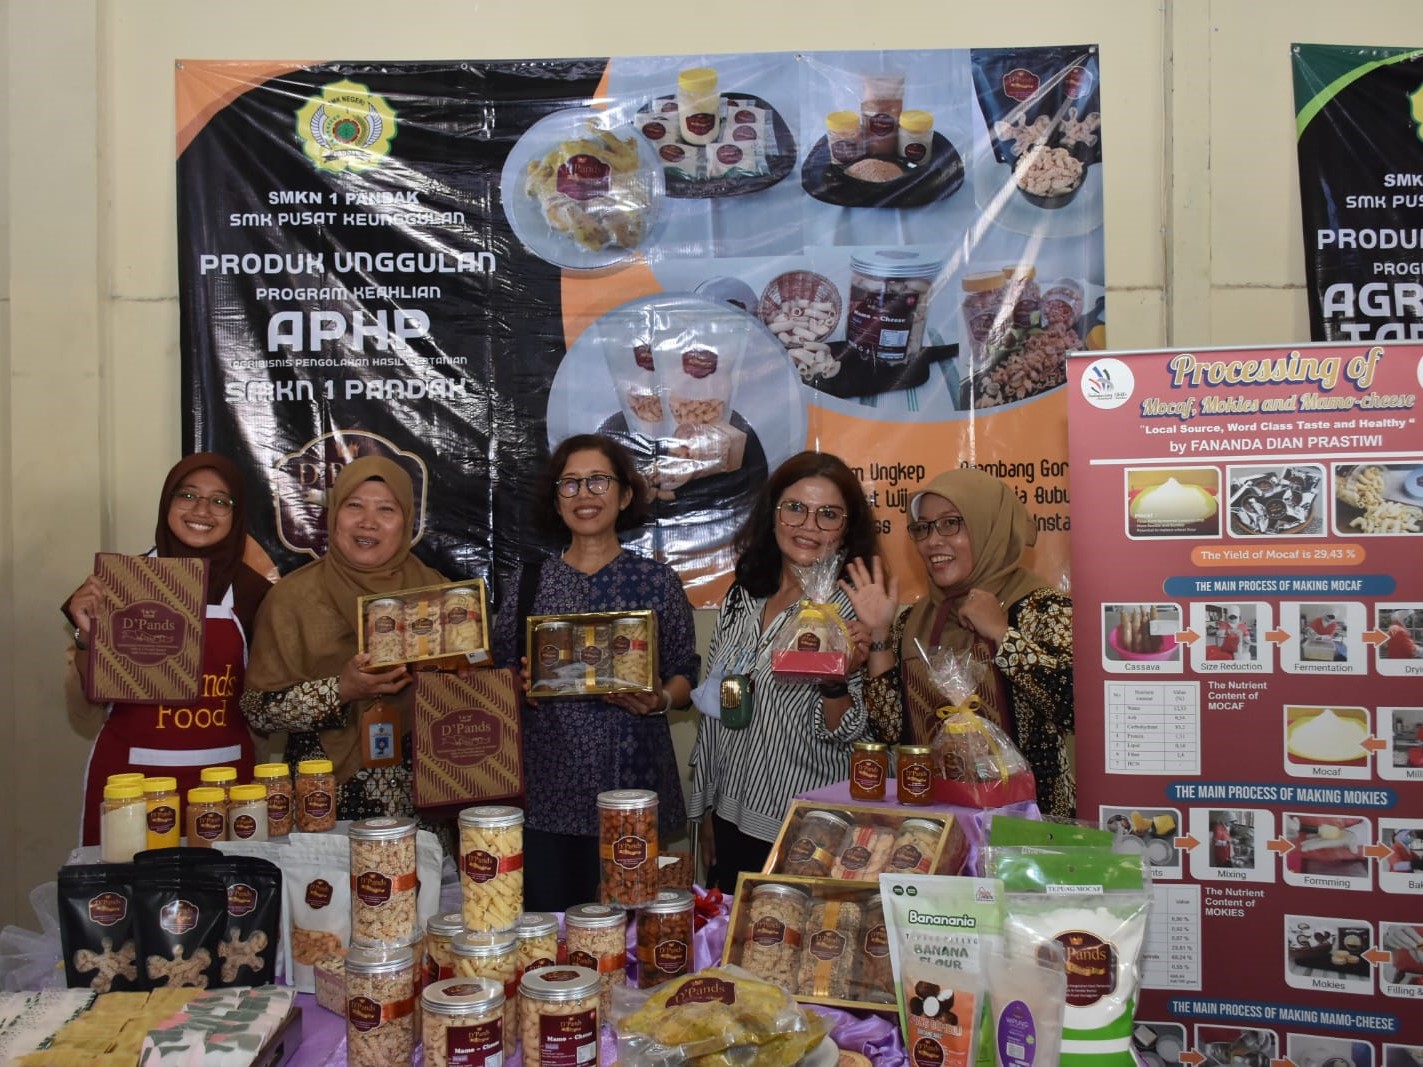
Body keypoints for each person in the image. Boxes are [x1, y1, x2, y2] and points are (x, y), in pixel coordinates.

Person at [492, 434, 699, 911]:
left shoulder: (656, 582)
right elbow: (498, 680)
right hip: (547, 795)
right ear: (555, 499)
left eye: (598, 481)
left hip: (633, 790)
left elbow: (684, 675)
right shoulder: (529, 583)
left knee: (634, 941)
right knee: (552, 936)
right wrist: (519, 687)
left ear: (625, 495)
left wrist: (660, 699)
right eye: (570, 484)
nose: (584, 495)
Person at [689, 451, 879, 892]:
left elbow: (860, 736)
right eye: (795, 508)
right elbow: (716, 708)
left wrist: (835, 679)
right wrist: (707, 811)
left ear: (847, 528)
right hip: (731, 814)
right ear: (772, 513)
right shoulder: (743, 596)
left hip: (806, 832)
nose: (808, 526)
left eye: (828, 515)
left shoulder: (854, 608)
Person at [841, 467, 1075, 819]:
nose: (932, 541)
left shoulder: (1041, 608)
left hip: (1033, 832)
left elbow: (1074, 704)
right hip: (937, 826)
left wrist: (1002, 634)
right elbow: (892, 731)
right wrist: (878, 637)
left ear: (990, 528)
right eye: (923, 528)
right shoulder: (913, 620)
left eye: (951, 523)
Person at [64, 452, 272, 845]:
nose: (202, 510)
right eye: (187, 495)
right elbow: (86, 704)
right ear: (167, 503)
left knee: (228, 897)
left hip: (225, 784)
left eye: (220, 501)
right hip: (130, 782)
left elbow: (266, 705)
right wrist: (87, 637)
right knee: (126, 900)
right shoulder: (119, 585)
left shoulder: (257, 595)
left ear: (237, 514)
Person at [240, 455, 444, 825]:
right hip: (323, 803)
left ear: (407, 523)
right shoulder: (292, 598)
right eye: (354, 506)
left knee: (422, 883)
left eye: (386, 509)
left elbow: (467, 694)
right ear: (333, 515)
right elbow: (258, 710)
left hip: (424, 803)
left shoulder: (440, 596)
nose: (368, 521)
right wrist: (341, 689)